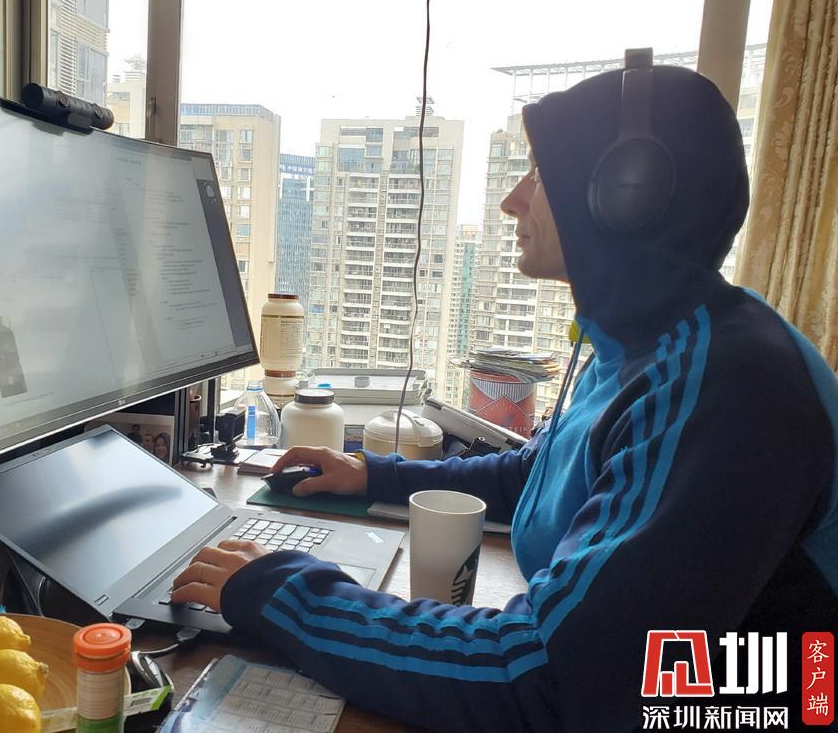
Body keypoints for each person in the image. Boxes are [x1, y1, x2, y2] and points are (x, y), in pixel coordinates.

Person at [171, 63, 838, 731]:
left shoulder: (724, 389)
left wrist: (286, 594)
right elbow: (536, 474)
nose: (512, 201)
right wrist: (375, 475)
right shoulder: (649, 339)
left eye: (540, 176)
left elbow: (549, 674)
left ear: (625, 195)